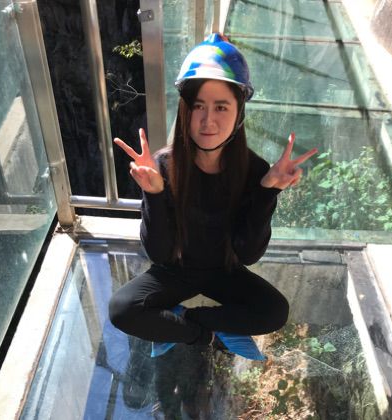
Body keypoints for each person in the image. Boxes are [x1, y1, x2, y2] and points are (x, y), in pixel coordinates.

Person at [109, 33, 317, 360]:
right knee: (122, 309)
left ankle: (185, 320)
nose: (208, 120)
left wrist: (268, 190)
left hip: (225, 271)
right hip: (176, 271)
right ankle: (205, 335)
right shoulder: (162, 165)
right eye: (198, 106)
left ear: (239, 112)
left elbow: (248, 254)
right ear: (185, 110)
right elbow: (159, 254)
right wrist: (155, 193)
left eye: (221, 107)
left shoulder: (254, 170)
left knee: (275, 311)